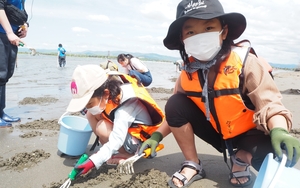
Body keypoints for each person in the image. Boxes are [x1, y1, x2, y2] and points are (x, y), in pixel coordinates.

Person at [139, 0, 300, 187]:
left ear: (223, 32)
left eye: (208, 27)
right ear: (183, 39)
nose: (200, 36)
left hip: (250, 135)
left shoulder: (246, 62)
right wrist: (156, 136)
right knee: (175, 102)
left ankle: (243, 157)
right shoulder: (187, 72)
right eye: (191, 32)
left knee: (274, 154)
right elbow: (176, 113)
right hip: (218, 134)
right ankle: (192, 163)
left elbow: (270, 104)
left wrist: (280, 130)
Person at [65, 65, 164, 175]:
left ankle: (128, 155)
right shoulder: (107, 93)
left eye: (89, 104)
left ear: (106, 93)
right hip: (127, 131)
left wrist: (94, 161)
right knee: (90, 114)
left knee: (102, 127)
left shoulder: (125, 106)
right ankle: (109, 151)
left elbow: (117, 139)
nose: (88, 107)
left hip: (139, 142)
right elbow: (95, 109)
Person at [0, 0, 28, 127]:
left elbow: (19, 12)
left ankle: (1, 112)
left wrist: (24, 26)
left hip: (11, 37)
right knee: (0, 74)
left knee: (5, 75)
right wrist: (9, 32)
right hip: (3, 34)